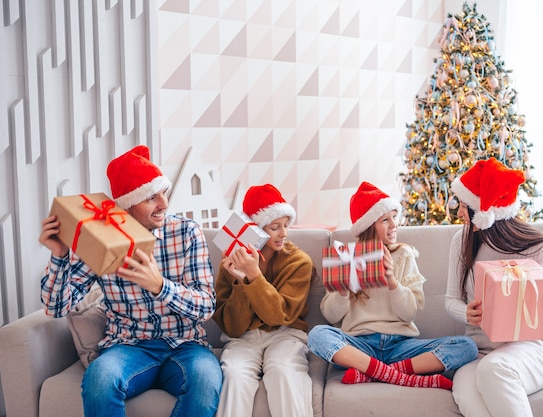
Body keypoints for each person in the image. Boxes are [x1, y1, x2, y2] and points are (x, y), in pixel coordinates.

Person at [39, 145, 222, 417]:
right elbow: (55, 308)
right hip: (129, 346)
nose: (164, 204)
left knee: (206, 382)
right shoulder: (100, 241)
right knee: (100, 380)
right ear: (127, 204)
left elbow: (206, 306)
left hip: (187, 346)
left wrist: (160, 287)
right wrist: (60, 255)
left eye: (164, 193)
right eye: (151, 197)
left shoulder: (186, 233)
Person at [308, 182, 478, 389]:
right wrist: (343, 290)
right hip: (360, 346)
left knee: (466, 346)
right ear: (369, 226)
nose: (394, 225)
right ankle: (399, 375)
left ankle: (378, 374)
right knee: (317, 334)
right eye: (385, 220)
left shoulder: (404, 255)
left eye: (394, 217)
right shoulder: (347, 257)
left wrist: (393, 283)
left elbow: (409, 314)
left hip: (400, 346)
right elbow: (331, 316)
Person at [445, 157, 543, 417]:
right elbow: (450, 300)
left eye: (464, 206)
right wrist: (467, 313)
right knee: (466, 392)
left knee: (494, 369)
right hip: (480, 351)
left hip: (534, 350)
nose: (459, 213)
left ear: (483, 211)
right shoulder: (462, 241)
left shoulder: (541, 250)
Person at [212, 184, 314, 417]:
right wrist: (240, 284)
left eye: (286, 226)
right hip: (244, 338)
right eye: (275, 227)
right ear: (254, 230)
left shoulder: (299, 262)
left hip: (285, 333)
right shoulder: (231, 261)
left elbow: (279, 316)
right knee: (234, 374)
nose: (284, 234)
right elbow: (232, 327)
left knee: (282, 369)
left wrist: (254, 276)